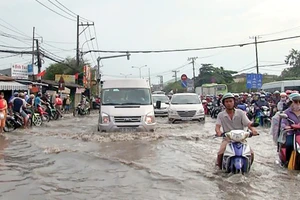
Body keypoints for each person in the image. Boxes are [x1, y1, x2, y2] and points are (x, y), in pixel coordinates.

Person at [215, 93, 258, 169]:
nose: (229, 103)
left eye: (230, 101)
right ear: (224, 103)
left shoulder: (240, 113)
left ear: (234, 102)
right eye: (227, 102)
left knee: (251, 153)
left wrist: (253, 130)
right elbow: (217, 127)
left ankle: (248, 167)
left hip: (241, 139)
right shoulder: (220, 115)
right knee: (220, 153)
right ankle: (219, 168)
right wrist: (219, 132)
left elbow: (248, 123)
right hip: (227, 139)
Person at [280, 93, 300, 164]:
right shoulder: (287, 112)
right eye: (296, 101)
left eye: (299, 101)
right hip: (292, 133)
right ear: (291, 102)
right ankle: (287, 161)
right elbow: (283, 122)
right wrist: (285, 126)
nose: (298, 103)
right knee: (289, 145)